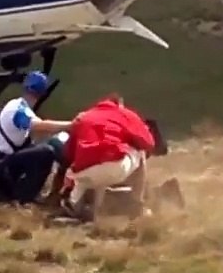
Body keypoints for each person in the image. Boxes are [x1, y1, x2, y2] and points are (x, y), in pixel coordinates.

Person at [0, 70, 73, 204]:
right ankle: (23, 199)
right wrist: (71, 125)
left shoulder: (14, 105)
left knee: (39, 146)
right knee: (46, 153)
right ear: (43, 93)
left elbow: (43, 128)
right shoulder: (18, 109)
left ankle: (21, 193)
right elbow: (39, 126)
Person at [60, 94, 156, 222]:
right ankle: (136, 205)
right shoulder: (124, 114)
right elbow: (149, 143)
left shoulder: (85, 116)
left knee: (86, 177)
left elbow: (68, 153)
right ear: (119, 105)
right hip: (114, 164)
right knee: (140, 153)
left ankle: (77, 208)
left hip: (83, 171)